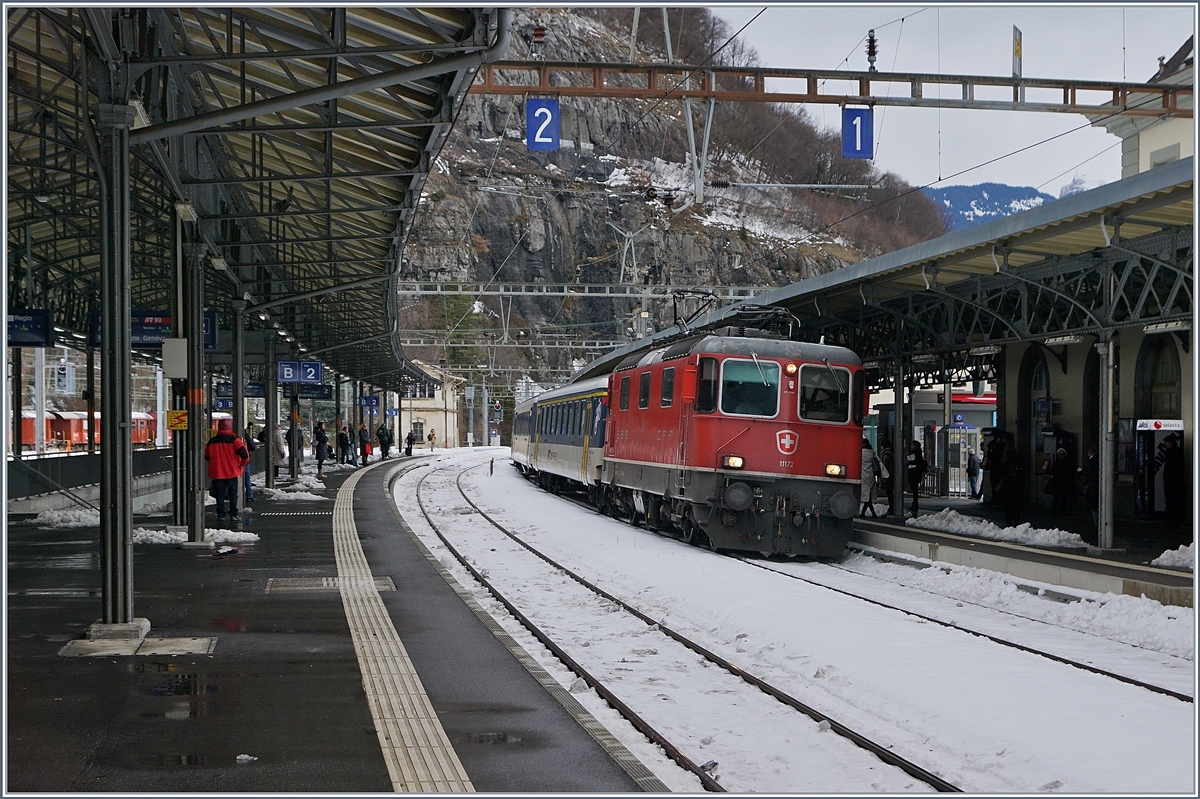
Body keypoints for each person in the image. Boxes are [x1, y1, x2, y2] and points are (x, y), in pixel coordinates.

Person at [205, 418, 250, 526]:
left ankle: (221, 514)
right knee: (233, 494)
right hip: (232, 471)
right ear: (230, 427)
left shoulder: (212, 441)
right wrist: (241, 465)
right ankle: (233, 514)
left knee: (220, 494)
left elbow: (207, 456)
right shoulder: (235, 440)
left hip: (218, 472)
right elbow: (245, 455)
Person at [1161, 435, 1187, 529]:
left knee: (1172, 503)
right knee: (1174, 503)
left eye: (1166, 443)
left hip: (1173, 485)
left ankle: (1172, 522)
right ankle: (1173, 522)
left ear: (1170, 443)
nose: (1165, 445)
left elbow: (1171, 471)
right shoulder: (1176, 452)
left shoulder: (1172, 454)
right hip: (1176, 485)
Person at [1000, 434, 1024, 527]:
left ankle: (1009, 521)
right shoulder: (1019, 465)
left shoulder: (1005, 464)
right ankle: (1016, 521)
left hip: (1008, 487)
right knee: (1016, 507)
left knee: (1008, 506)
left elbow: (1001, 474)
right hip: (1017, 488)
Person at [1047, 447, 1075, 514]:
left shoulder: (1057, 462)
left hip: (1060, 481)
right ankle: (1059, 510)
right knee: (1060, 497)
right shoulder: (1066, 462)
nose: (1060, 456)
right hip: (1061, 481)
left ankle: (1058, 510)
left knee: (1059, 497)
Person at [1081, 445, 1099, 542]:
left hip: (1093, 488)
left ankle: (1097, 527)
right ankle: (1097, 526)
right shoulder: (1097, 461)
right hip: (1094, 487)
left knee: (1093, 508)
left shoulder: (1093, 462)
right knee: (1094, 508)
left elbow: (1091, 475)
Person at [905, 440, 927, 517]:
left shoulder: (916, 453)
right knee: (914, 489)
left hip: (914, 472)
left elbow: (916, 461)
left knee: (914, 488)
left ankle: (915, 504)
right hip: (915, 472)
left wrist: (910, 462)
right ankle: (914, 503)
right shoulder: (918, 452)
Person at [859, 438, 879, 518]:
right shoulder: (872, 453)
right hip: (871, 475)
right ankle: (869, 513)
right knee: (869, 495)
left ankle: (867, 513)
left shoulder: (860, 453)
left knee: (866, 495)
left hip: (863, 475)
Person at [242, 424, 257, 503]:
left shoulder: (231, 436)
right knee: (247, 478)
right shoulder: (245, 435)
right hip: (244, 460)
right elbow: (252, 447)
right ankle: (249, 495)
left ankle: (234, 497)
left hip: (231, 461)